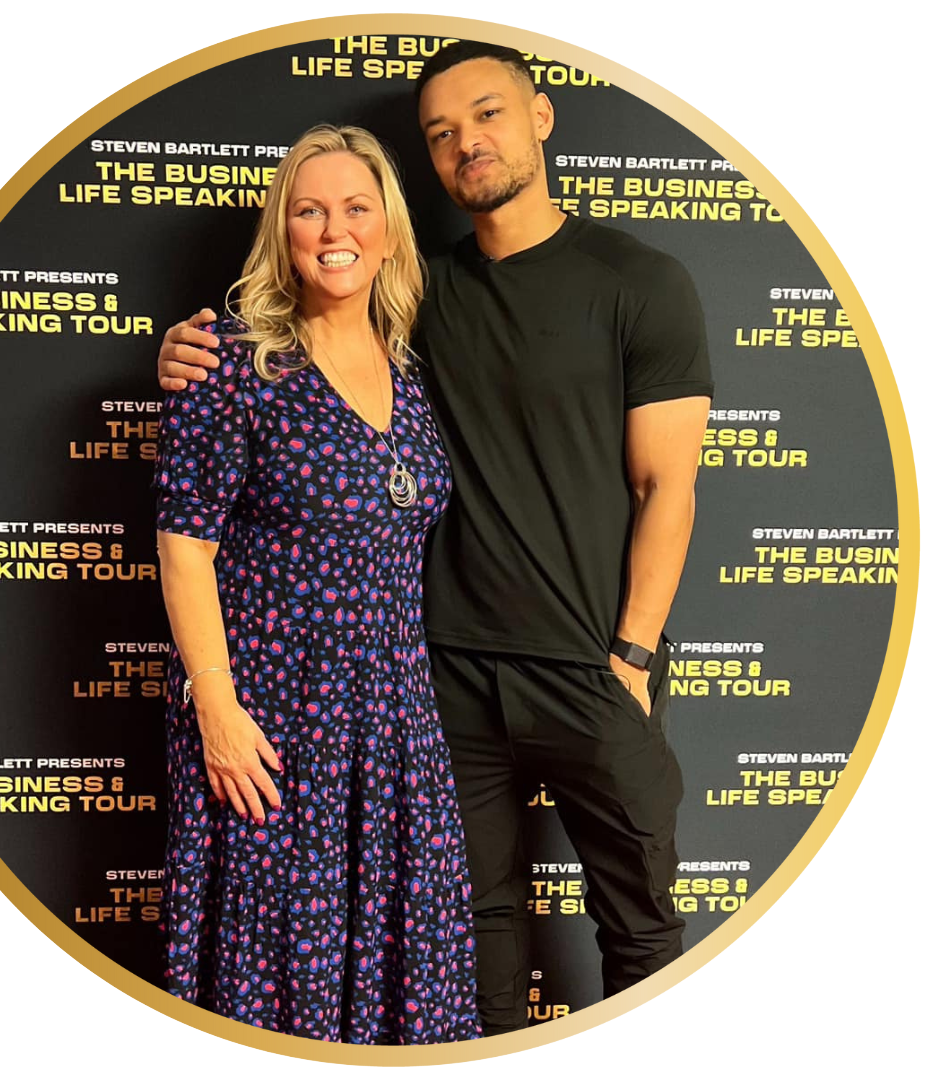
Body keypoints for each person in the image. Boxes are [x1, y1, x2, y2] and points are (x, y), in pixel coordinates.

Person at [158, 42, 712, 1037]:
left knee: (638, 927)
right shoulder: (343, 327)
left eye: (488, 116)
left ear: (541, 117)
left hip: (570, 673)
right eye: (443, 134)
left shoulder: (618, 286)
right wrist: (189, 351)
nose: (467, 143)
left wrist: (632, 654)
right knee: (467, 936)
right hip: (411, 688)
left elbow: (667, 483)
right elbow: (197, 518)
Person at [153, 123, 480, 1044]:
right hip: (267, 720)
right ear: (281, 232)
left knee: (395, 972)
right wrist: (216, 709)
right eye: (309, 210)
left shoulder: (411, 367)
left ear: (387, 230)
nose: (334, 229)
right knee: (271, 971)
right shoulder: (232, 359)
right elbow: (184, 550)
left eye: (356, 208)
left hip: (393, 722)